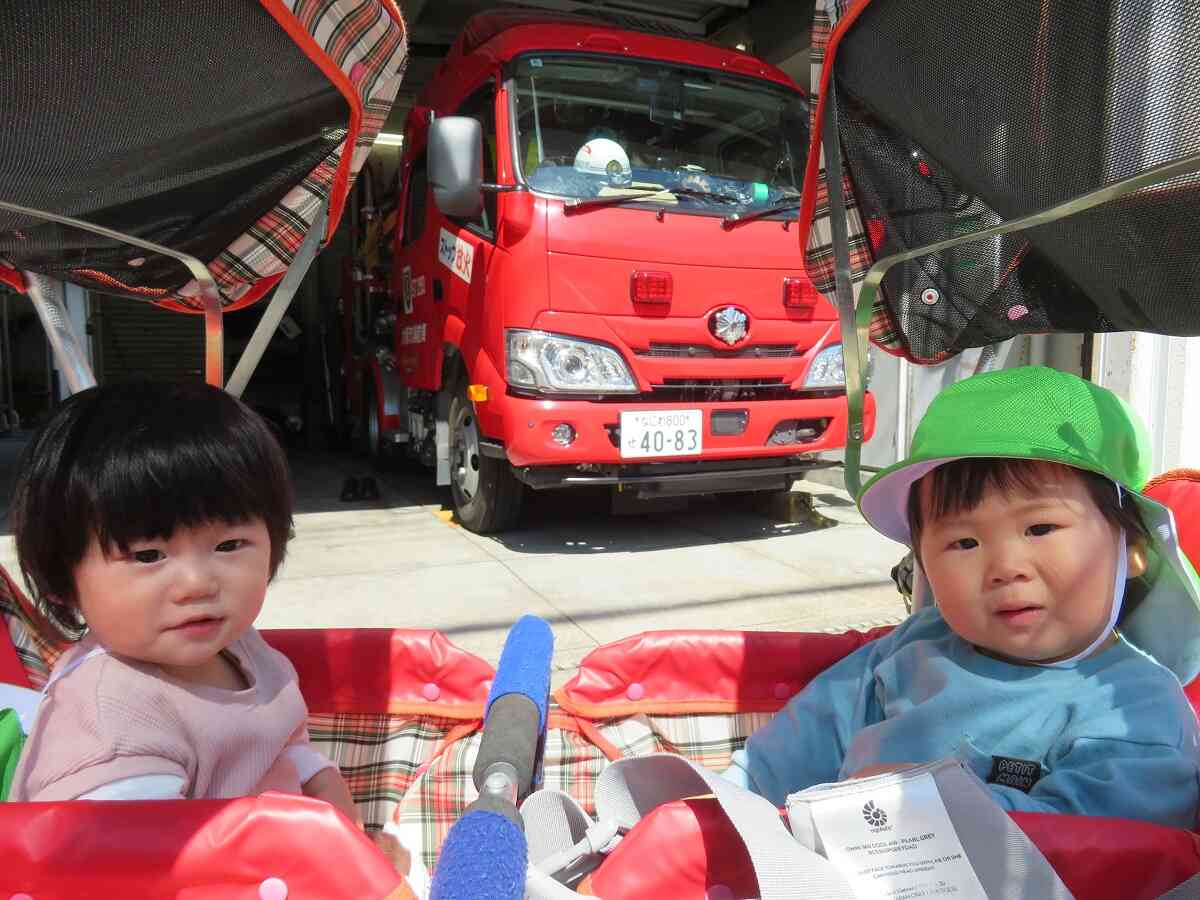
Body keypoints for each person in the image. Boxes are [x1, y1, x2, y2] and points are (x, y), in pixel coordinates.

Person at [724, 365, 1200, 829]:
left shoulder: (1133, 709)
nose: (1004, 567)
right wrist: (727, 802)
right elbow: (801, 741)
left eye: (1040, 528)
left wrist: (931, 808)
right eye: (964, 543)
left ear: (1133, 548)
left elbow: (1106, 846)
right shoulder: (913, 646)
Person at [7, 381, 360, 819]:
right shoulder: (113, 725)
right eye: (149, 556)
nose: (197, 583)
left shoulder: (240, 645)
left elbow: (290, 748)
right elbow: (144, 873)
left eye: (229, 545)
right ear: (63, 577)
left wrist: (345, 825)